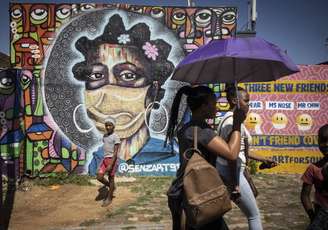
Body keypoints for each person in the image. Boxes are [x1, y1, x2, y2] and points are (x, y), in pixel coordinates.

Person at [166, 85, 247, 230]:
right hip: (198, 196)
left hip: (183, 192)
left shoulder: (187, 128)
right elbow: (231, 153)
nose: (216, 108)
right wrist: (237, 124)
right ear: (204, 106)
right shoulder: (201, 131)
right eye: (213, 104)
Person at [216, 85, 277, 230]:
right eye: (246, 100)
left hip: (233, 171)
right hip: (232, 172)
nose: (249, 104)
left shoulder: (235, 121)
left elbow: (241, 149)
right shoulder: (232, 123)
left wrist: (263, 159)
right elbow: (232, 155)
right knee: (253, 215)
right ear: (235, 100)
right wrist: (235, 183)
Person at [301, 124, 328, 230]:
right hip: (321, 214)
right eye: (323, 141)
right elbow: (304, 195)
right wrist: (312, 217)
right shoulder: (313, 168)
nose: (326, 144)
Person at [96, 118, 120, 207]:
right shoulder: (105, 136)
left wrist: (110, 164)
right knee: (99, 177)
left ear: (113, 126)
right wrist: (104, 162)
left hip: (112, 160)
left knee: (111, 178)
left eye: (110, 125)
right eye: (106, 125)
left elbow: (115, 152)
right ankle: (112, 187)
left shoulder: (116, 137)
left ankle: (109, 198)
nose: (108, 127)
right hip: (105, 160)